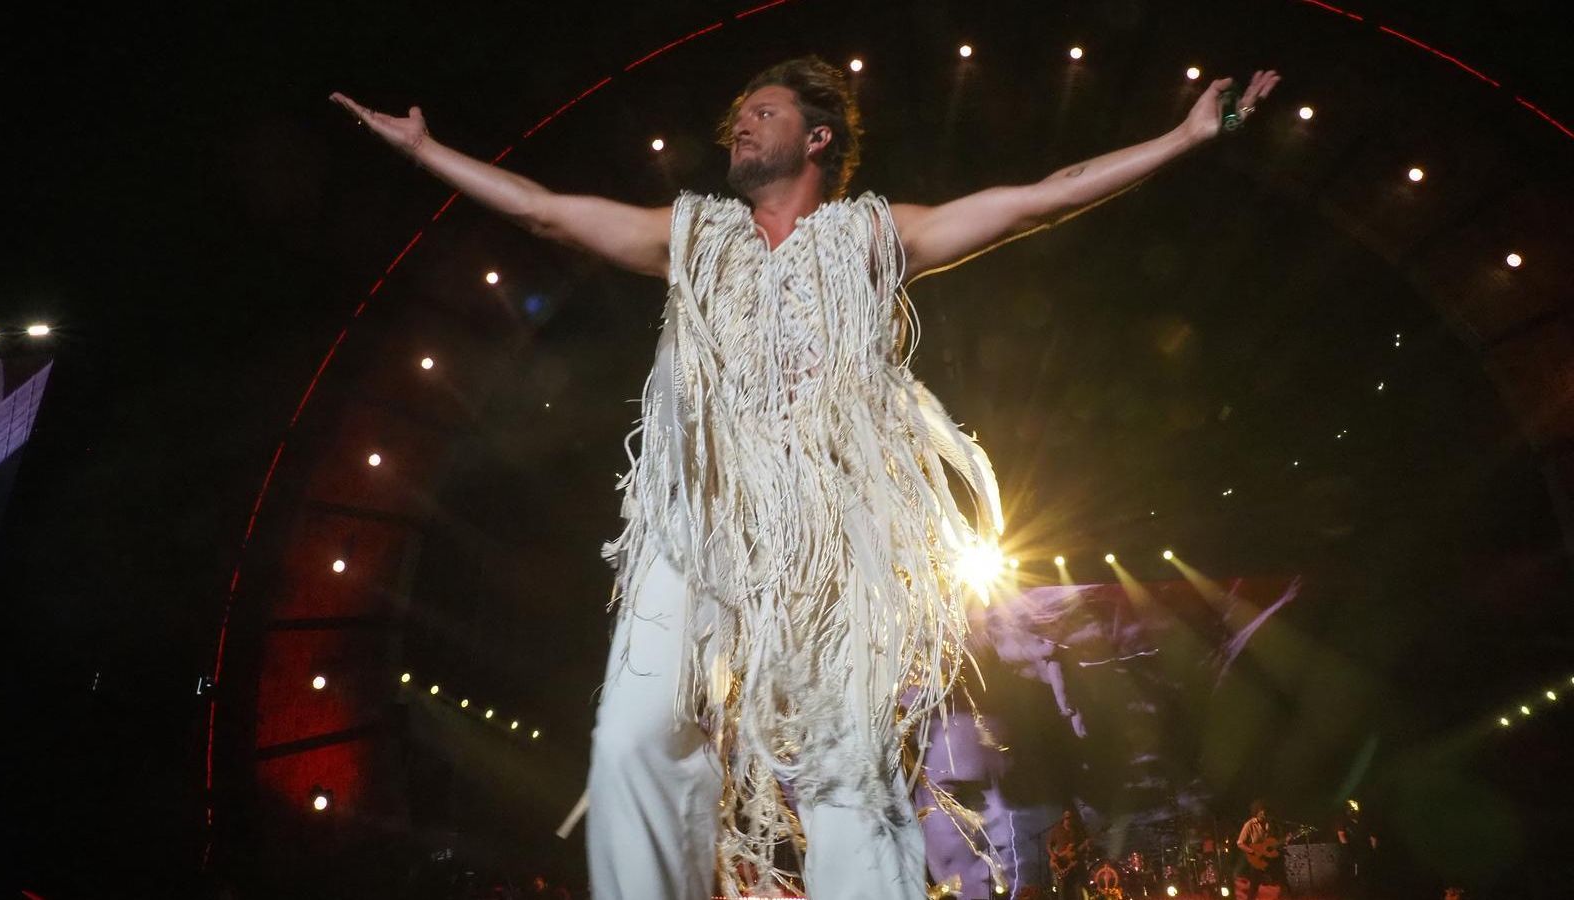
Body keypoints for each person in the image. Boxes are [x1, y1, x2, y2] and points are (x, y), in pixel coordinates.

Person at [333, 56, 1279, 900]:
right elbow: (543, 209)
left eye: (763, 112)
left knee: (848, 776)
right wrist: (426, 151)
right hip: (694, 529)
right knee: (630, 743)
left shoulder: (873, 236)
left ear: (817, 137)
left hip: (829, 542)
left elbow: (1042, 198)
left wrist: (1183, 138)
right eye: (738, 117)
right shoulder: (693, 236)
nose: (738, 127)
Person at [1234, 800, 1283, 894]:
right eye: (1261, 811)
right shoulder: (1249, 824)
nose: (1263, 814)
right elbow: (1240, 843)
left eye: (1265, 811)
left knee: (1277, 883)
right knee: (1254, 886)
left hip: (1269, 858)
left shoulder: (1270, 824)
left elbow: (1271, 843)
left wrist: (1284, 841)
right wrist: (1252, 852)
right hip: (1255, 859)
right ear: (1256, 812)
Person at [1047, 808, 1093, 900]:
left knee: (1078, 892)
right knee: (1062, 893)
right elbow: (1049, 845)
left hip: (1075, 865)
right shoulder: (1057, 830)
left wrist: (1087, 846)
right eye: (1067, 817)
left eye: (1070, 818)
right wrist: (1053, 855)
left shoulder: (1077, 831)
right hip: (1061, 865)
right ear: (1063, 818)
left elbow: (1082, 848)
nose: (1069, 820)